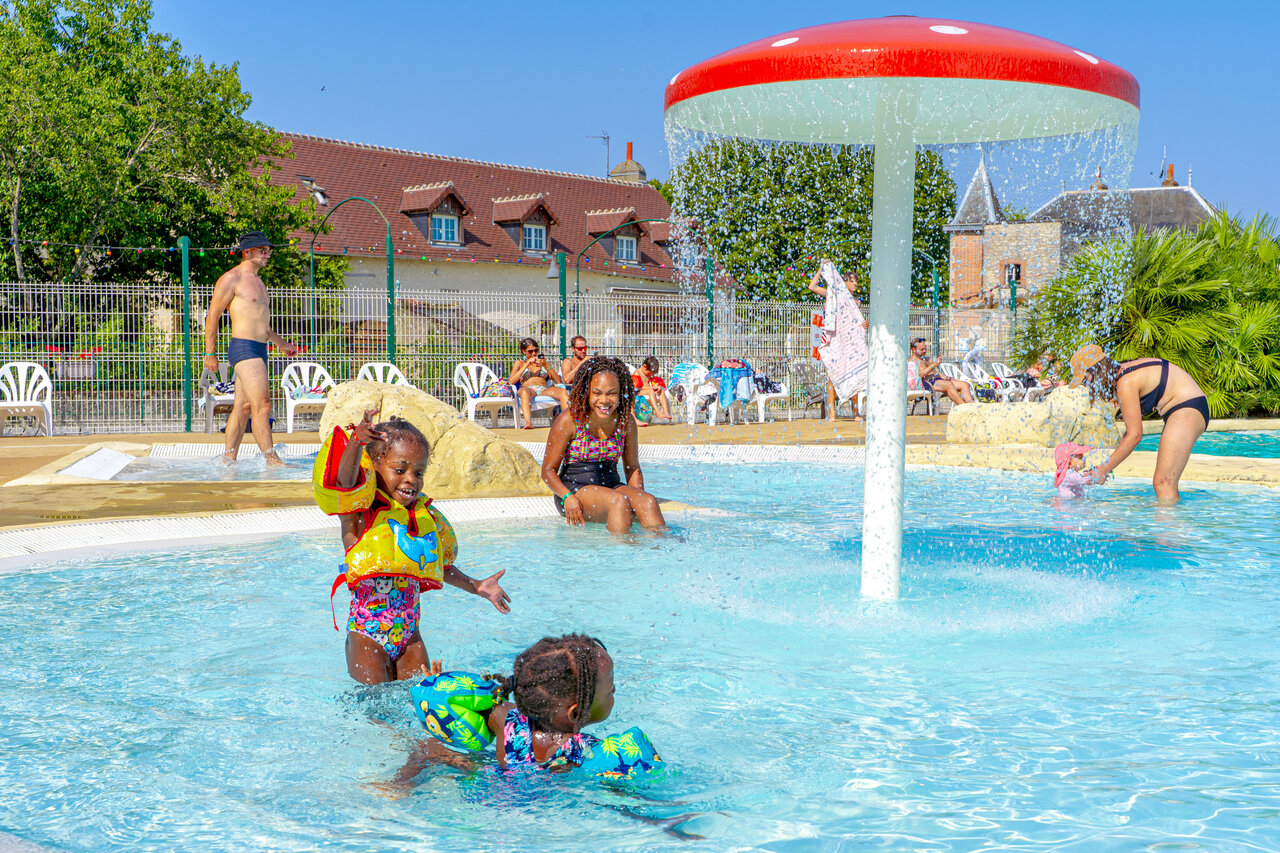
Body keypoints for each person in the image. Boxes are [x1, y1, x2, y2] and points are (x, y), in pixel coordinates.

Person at [319, 409, 512, 684]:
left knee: (421, 698)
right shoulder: (361, 514)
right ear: (374, 468)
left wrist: (476, 585)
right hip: (366, 635)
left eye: (418, 471)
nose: (411, 478)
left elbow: (435, 566)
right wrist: (356, 443)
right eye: (400, 470)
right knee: (378, 709)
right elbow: (345, 482)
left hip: (410, 635)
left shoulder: (420, 519)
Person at [203, 231, 299, 466]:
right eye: (263, 251)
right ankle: (271, 458)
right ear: (247, 252)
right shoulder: (231, 278)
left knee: (243, 407)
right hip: (243, 348)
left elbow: (263, 325)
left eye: (269, 251)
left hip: (260, 348)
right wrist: (210, 352)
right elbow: (213, 316)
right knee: (262, 405)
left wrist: (282, 344)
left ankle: (228, 458)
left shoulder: (259, 282)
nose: (268, 255)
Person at [1068, 344, 1209, 504]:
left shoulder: (1125, 382)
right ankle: (1168, 525)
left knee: (1164, 483)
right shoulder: (1125, 371)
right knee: (1163, 482)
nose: (1088, 386)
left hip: (1186, 409)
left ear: (1094, 372)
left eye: (1085, 380)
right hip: (1188, 407)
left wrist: (1104, 470)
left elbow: (1134, 435)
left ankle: (1169, 528)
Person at [542, 356, 666, 533]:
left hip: (611, 485)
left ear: (621, 392)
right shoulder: (569, 420)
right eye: (597, 393)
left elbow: (633, 468)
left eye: (612, 393)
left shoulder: (625, 421)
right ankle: (618, 556)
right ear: (587, 392)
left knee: (648, 502)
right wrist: (567, 497)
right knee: (618, 502)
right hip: (574, 489)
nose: (604, 400)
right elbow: (547, 471)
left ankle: (659, 553)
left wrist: (639, 500)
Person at [807, 260, 869, 421]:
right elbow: (812, 287)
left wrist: (863, 324)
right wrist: (821, 270)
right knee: (833, 376)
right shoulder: (833, 294)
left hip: (850, 343)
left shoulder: (856, 302)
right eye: (852, 280)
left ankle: (856, 412)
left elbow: (854, 322)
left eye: (856, 281)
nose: (855, 283)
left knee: (853, 372)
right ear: (844, 282)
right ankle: (832, 413)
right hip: (836, 339)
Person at [509, 338, 570, 430]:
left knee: (563, 392)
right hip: (528, 389)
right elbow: (511, 381)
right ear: (523, 351)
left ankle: (568, 421)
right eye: (530, 351)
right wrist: (526, 364)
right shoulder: (520, 363)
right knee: (524, 393)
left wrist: (546, 365)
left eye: (536, 350)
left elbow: (558, 381)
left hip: (543, 389)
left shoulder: (542, 363)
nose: (534, 354)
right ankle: (529, 423)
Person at [909, 337, 975, 405]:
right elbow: (919, 375)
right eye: (922, 349)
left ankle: (972, 406)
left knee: (964, 384)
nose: (924, 351)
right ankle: (963, 407)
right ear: (914, 349)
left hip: (938, 380)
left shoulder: (927, 359)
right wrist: (933, 365)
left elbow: (936, 373)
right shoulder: (912, 362)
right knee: (948, 385)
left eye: (925, 349)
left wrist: (948, 378)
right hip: (927, 384)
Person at [632, 356, 672, 421]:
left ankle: (666, 412)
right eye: (649, 373)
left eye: (652, 374)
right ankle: (657, 411)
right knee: (651, 391)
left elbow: (653, 383)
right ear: (644, 366)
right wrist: (651, 388)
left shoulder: (649, 374)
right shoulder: (637, 373)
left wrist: (657, 386)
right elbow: (637, 388)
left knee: (661, 391)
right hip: (639, 393)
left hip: (649, 391)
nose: (650, 375)